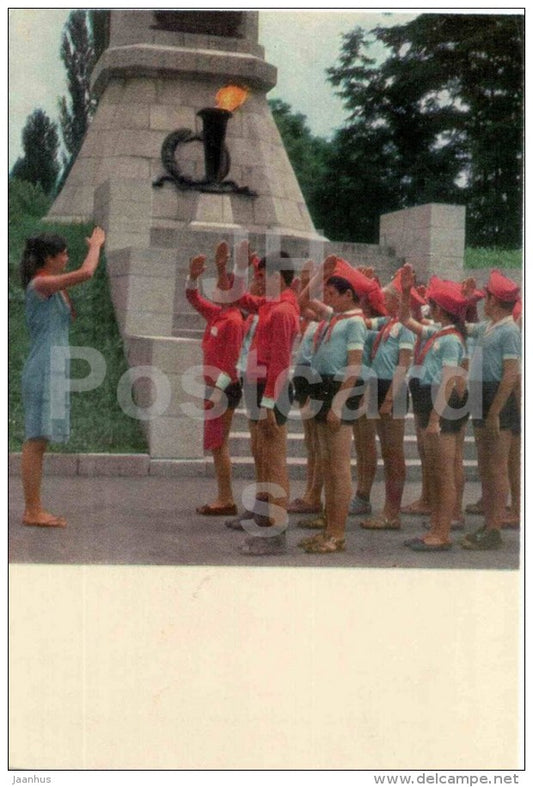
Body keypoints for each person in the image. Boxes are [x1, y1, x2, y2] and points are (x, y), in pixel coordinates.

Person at [20, 227, 106, 527]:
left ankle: (35, 507)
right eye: (64, 252)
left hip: (53, 364)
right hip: (44, 365)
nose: (67, 256)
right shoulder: (40, 284)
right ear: (49, 257)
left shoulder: (51, 286)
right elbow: (87, 272)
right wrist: (96, 245)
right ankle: (32, 510)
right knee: (35, 438)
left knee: (40, 439)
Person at [297, 257, 375, 554]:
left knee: (339, 465)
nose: (326, 298)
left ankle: (338, 533)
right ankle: (328, 527)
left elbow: (354, 366)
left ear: (348, 296)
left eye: (332, 293)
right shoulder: (335, 317)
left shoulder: (354, 322)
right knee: (325, 462)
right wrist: (321, 274)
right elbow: (303, 299)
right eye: (326, 293)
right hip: (321, 384)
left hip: (338, 388)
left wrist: (339, 405)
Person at [230, 245, 300, 555]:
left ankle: (276, 533)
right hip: (259, 385)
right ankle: (265, 515)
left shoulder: (283, 310)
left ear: (278, 277)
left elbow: (282, 360)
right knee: (263, 454)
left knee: (274, 462)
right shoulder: (272, 304)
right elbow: (242, 298)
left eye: (263, 275)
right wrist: (241, 268)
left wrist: (271, 400)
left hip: (272, 389)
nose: (260, 281)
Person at [399, 265, 469, 551]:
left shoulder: (451, 339)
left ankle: (442, 532)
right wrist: (405, 291)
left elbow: (451, 380)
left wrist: (435, 418)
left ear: (441, 309)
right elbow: (405, 319)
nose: (428, 309)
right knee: (438, 470)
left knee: (443, 472)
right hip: (433, 401)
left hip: (443, 404)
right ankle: (437, 527)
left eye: (432, 305)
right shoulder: (439, 333)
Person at [461, 270, 521, 550]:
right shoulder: (490, 326)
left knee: (496, 469)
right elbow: (463, 325)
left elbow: (510, 375)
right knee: (486, 467)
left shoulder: (509, 330)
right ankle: (489, 522)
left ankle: (495, 528)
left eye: (487, 297)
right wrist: (464, 301)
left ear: (495, 301)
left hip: (497, 399)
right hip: (482, 396)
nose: (484, 301)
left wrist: (495, 412)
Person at [186, 242, 244, 516]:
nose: (219, 289)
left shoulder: (233, 320)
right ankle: (224, 496)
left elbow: (232, 362)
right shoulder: (218, 313)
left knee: (219, 444)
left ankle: (226, 497)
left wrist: (217, 393)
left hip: (224, 387)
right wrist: (193, 276)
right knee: (217, 444)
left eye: (225, 287)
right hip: (216, 386)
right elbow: (193, 298)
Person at [359, 272, 416, 530]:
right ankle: (388, 510)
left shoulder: (405, 326)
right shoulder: (386, 322)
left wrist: (390, 398)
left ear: (397, 299)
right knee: (386, 450)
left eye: (387, 297)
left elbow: (404, 364)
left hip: (393, 388)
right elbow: (362, 319)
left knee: (394, 453)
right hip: (379, 386)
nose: (382, 300)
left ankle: (392, 513)